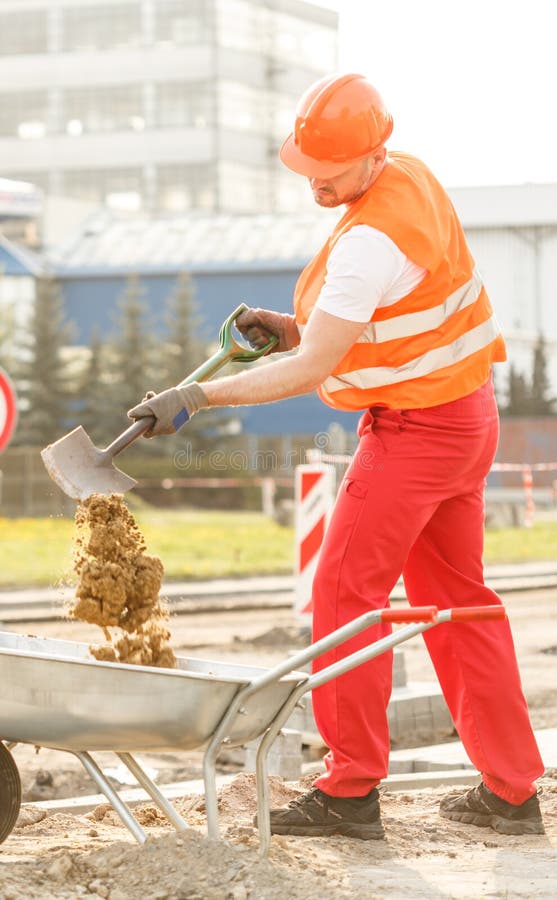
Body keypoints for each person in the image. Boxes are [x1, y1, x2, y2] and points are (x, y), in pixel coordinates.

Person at [129, 73, 545, 840]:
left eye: (327, 172)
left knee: (346, 598)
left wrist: (199, 399)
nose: (313, 182)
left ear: (371, 154)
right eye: (306, 167)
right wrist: (291, 325)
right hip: (464, 415)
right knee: (458, 605)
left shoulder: (366, 243)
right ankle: (512, 792)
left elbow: (315, 368)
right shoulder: (405, 179)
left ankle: (349, 791)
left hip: (415, 435)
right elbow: (377, 321)